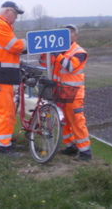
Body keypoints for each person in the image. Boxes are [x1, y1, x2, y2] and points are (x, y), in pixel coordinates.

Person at [39, 24, 92, 161]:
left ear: (76, 36)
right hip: (60, 92)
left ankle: (85, 152)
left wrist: (57, 54)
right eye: (65, 32)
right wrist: (45, 50)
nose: (68, 34)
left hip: (73, 93)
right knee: (64, 121)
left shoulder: (79, 52)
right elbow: (44, 63)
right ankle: (70, 147)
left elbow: (70, 67)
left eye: (71, 32)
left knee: (77, 122)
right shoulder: (57, 49)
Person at [0, 1, 27, 157]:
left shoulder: (0, 25)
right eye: (15, 14)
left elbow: (6, 50)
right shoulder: (0, 25)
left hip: (1, 76)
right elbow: (14, 46)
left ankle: (6, 142)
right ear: (8, 11)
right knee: (4, 112)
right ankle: (4, 148)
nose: (16, 18)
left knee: (6, 111)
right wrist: (28, 43)